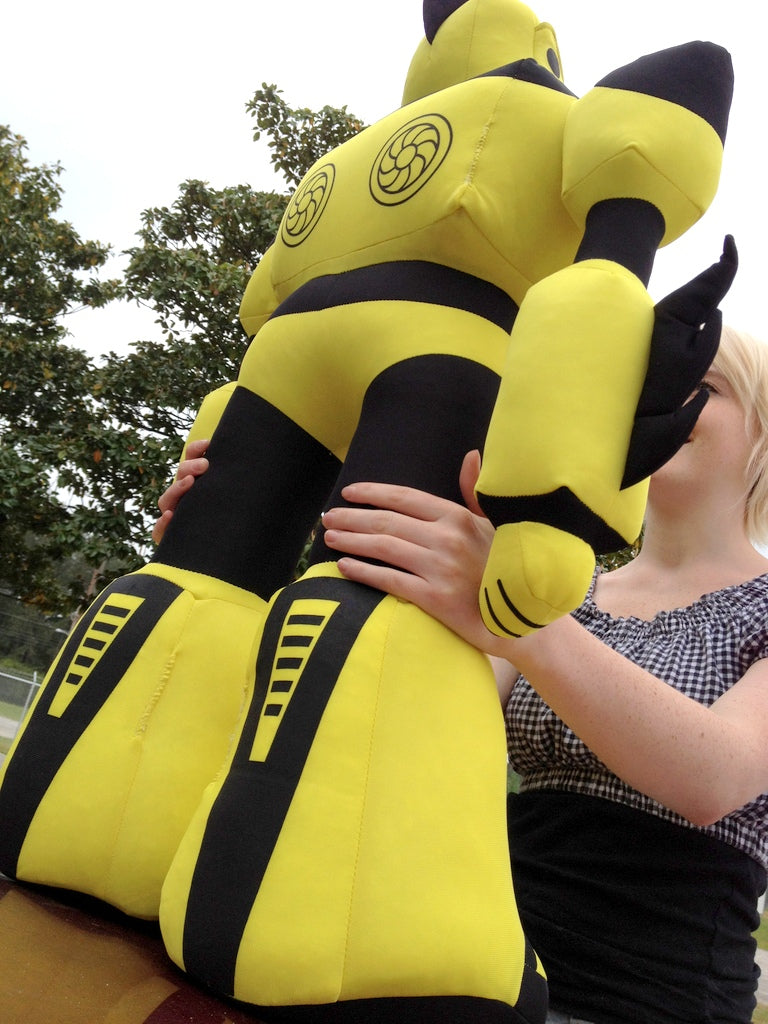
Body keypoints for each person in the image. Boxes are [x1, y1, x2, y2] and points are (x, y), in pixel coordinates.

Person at [154, 325, 768, 1023]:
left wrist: (524, 623)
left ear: (763, 430)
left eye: (704, 388)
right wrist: (228, 544)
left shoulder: (557, 613)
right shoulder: (570, 594)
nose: (663, 405)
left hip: (653, 1002)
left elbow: (716, 779)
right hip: (477, 970)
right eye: (637, 392)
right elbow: (399, 708)